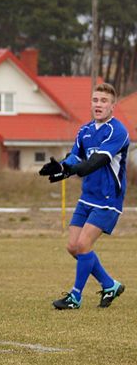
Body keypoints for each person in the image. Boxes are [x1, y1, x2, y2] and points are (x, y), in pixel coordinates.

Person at [39, 83, 127, 310]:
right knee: (73, 246)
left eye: (104, 101)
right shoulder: (85, 130)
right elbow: (75, 157)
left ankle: (75, 297)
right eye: (95, 100)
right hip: (88, 197)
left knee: (83, 244)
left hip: (108, 200)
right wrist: (61, 166)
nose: (99, 105)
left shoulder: (117, 131)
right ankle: (110, 285)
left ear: (112, 106)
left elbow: (95, 162)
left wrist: (70, 170)